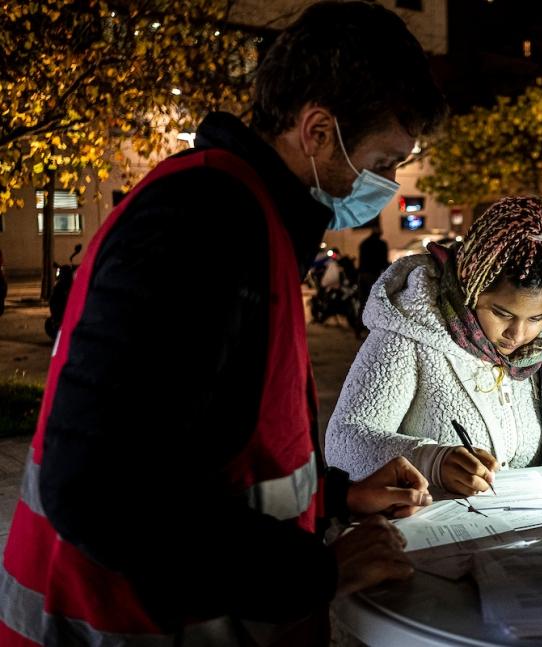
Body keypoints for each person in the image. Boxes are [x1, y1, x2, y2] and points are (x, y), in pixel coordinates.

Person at [0, 2, 447, 645]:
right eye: (382, 161)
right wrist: (313, 571)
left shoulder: (247, 214)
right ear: (318, 131)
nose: (391, 182)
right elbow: (101, 491)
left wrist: (332, 497)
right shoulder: (203, 226)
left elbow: (209, 454)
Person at [325, 196, 542, 496]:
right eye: (501, 313)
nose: (518, 334)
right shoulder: (410, 332)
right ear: (471, 290)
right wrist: (431, 461)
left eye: (537, 317)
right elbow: (343, 441)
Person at [357, 224, 390, 306]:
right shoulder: (382, 244)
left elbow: (360, 260)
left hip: (363, 274)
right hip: (374, 274)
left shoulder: (364, 243)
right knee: (374, 299)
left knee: (364, 300)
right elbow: (384, 261)